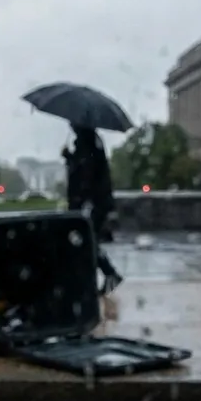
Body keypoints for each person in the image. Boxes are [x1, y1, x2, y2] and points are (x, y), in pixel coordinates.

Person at [62, 123, 124, 294]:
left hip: (92, 202)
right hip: (96, 201)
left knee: (87, 240)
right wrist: (69, 157)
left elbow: (84, 174)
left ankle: (107, 274)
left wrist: (69, 158)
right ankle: (103, 275)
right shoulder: (91, 142)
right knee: (87, 240)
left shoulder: (86, 143)